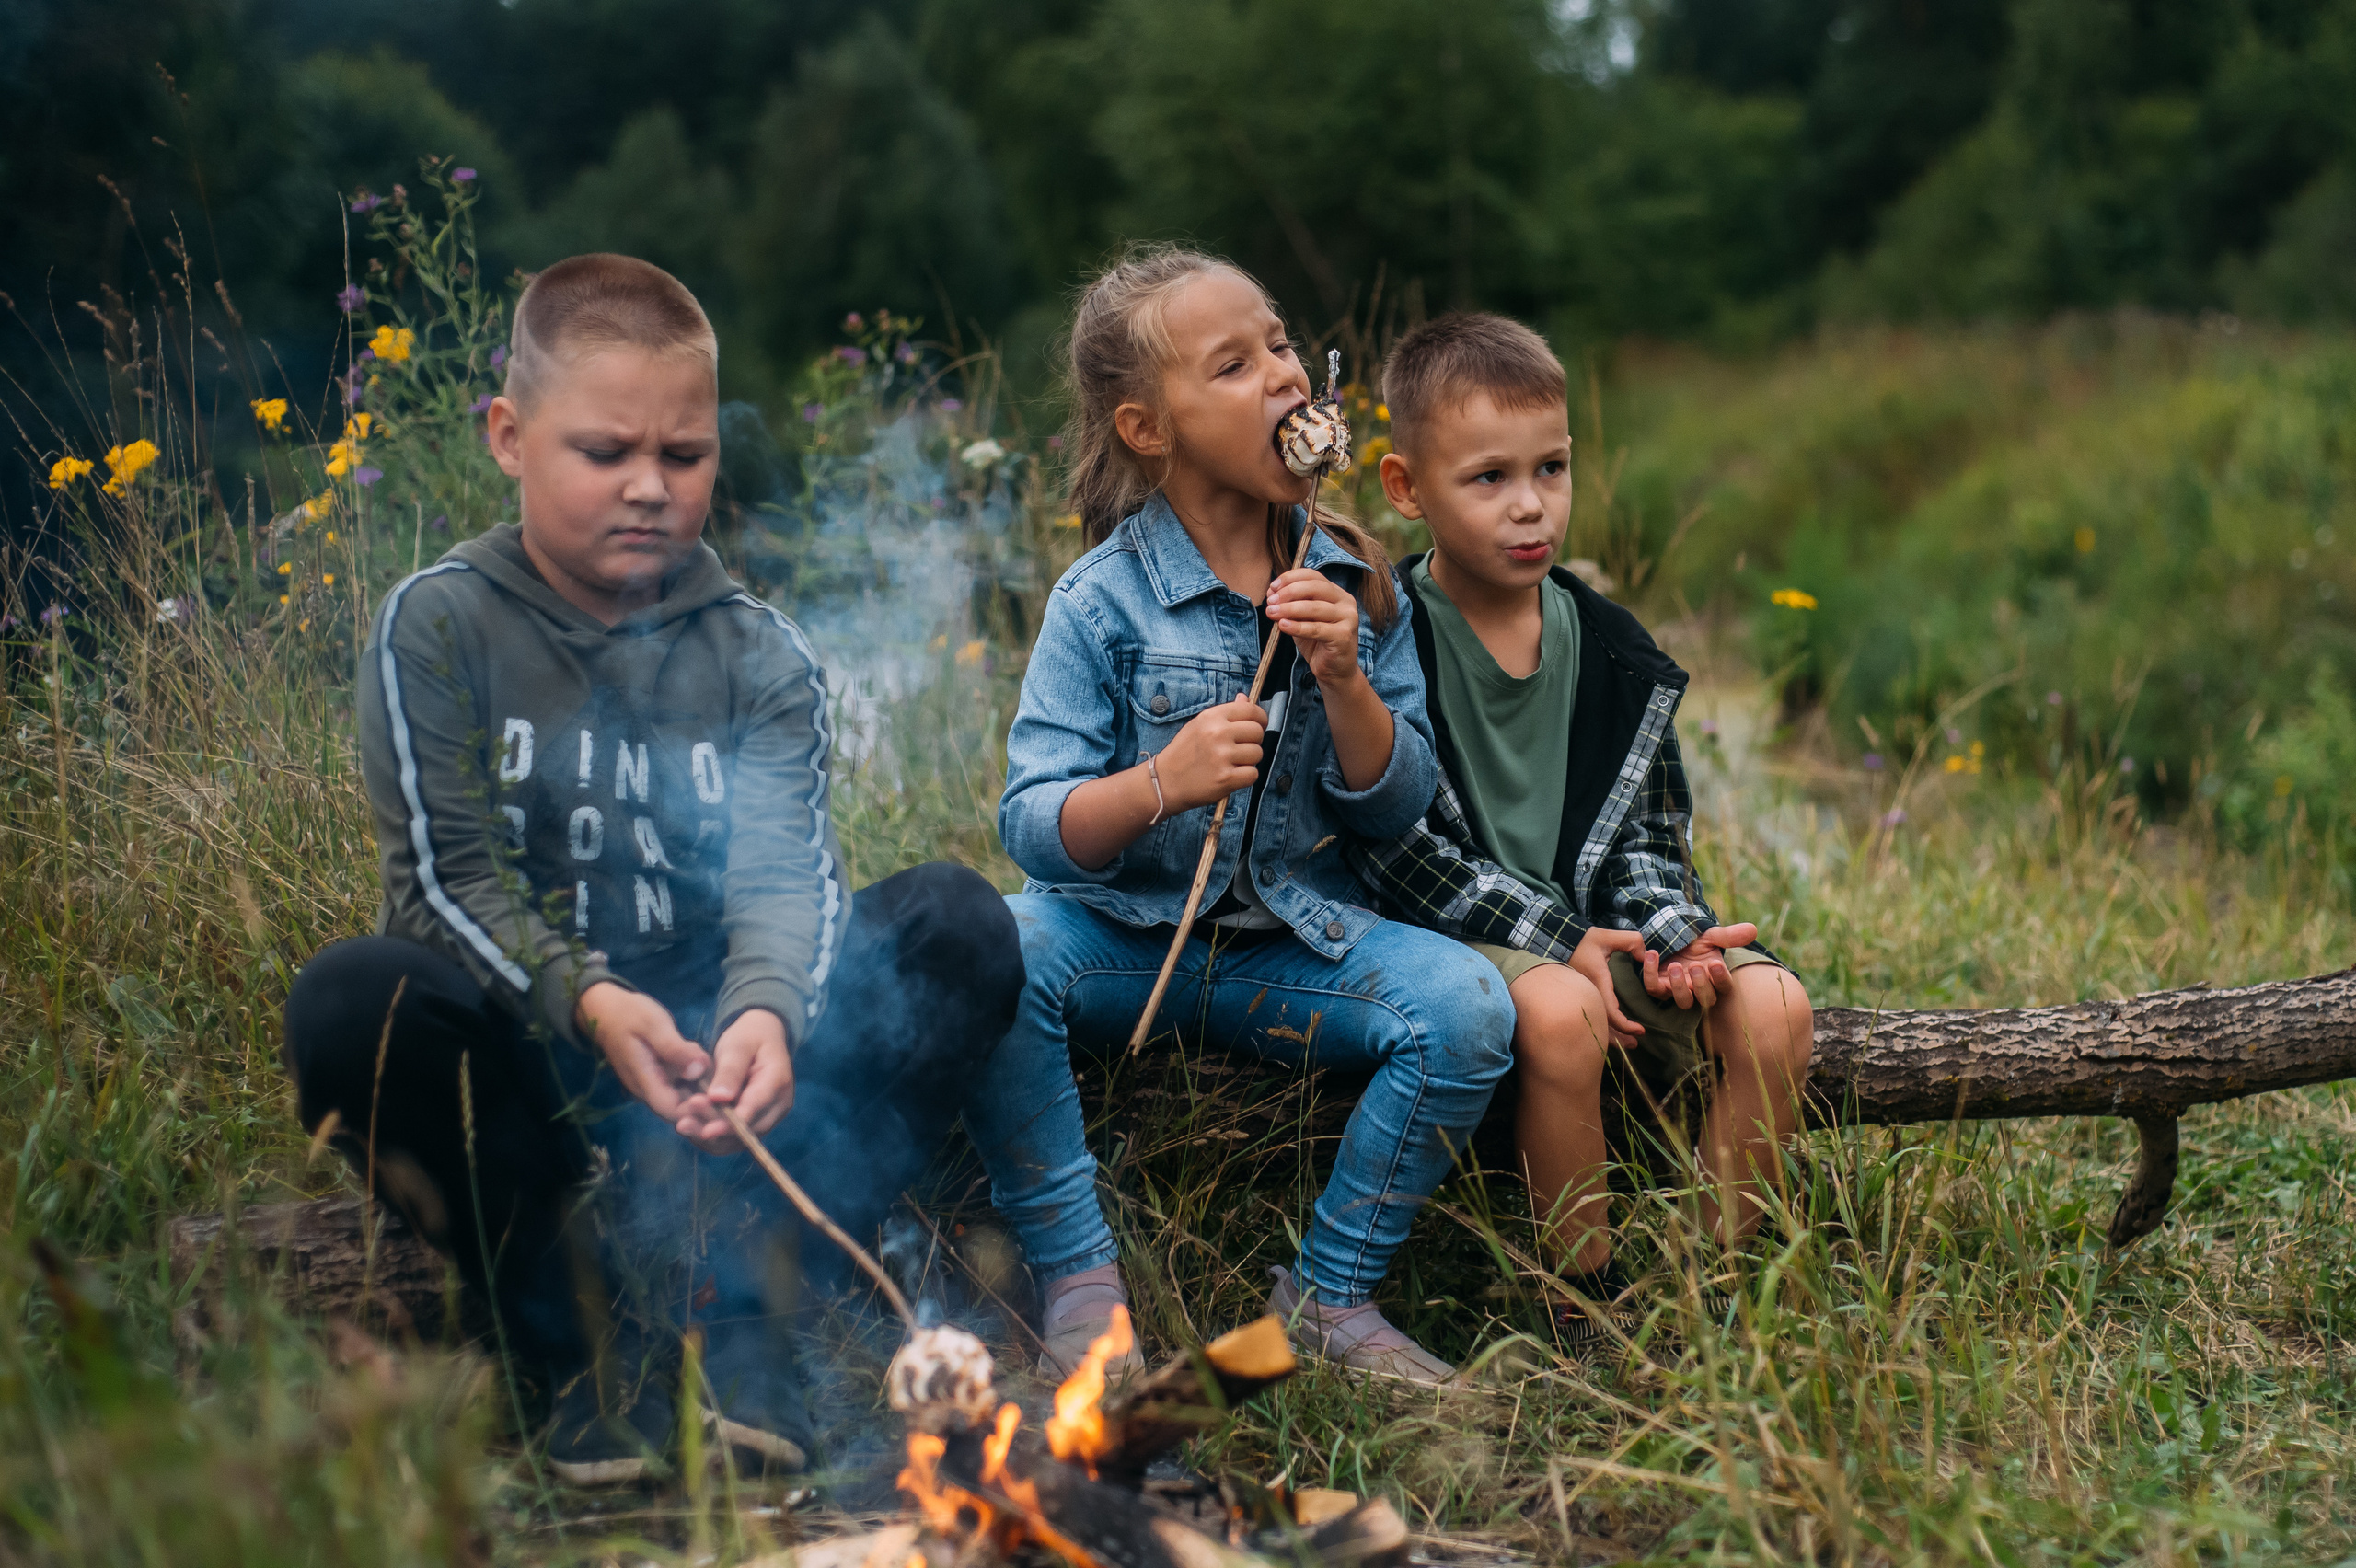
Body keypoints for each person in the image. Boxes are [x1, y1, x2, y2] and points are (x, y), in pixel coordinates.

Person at [283, 254, 1022, 1485]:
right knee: (352, 999)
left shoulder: (757, 652)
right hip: (540, 1038)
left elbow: (789, 879)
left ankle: (751, 1304)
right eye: (603, 451)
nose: (648, 488)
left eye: (683, 457)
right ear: (509, 437)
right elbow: (444, 878)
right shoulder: (440, 624)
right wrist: (588, 998)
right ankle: (573, 1335)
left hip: (713, 1049)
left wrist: (765, 1016)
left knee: (957, 920)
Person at [966, 247, 1514, 1387]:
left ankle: (1327, 1298)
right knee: (1001, 948)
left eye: (1278, 345)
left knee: (1464, 1010)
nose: (1279, 377)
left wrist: (1347, 681)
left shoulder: (1355, 579)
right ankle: (1080, 1282)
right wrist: (1159, 781)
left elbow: (1399, 805)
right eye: (1232, 363)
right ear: (1146, 429)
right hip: (1121, 940)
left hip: (1293, 948)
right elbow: (1030, 823)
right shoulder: (1099, 600)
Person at [1352, 313, 1814, 1344]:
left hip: (1595, 939)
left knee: (1776, 1004)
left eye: (1551, 468)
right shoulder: (1390, 637)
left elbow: (1647, 836)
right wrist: (1566, 941)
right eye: (1488, 479)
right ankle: (1582, 1306)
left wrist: (1671, 933)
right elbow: (1396, 852)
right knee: (1561, 1013)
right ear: (1405, 486)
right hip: (1464, 942)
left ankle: (1714, 1293)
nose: (1530, 506)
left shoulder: (1611, 649)